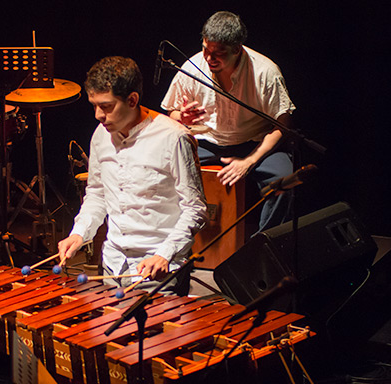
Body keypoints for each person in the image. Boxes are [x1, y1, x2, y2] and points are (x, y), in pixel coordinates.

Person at [58, 56, 207, 295]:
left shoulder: (174, 137)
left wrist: (164, 254)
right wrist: (79, 233)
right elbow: (97, 194)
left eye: (106, 106)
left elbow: (195, 209)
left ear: (132, 100)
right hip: (113, 264)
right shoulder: (100, 135)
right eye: (94, 105)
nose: (98, 114)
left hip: (158, 268)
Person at [161, 11, 296, 232]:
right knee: (162, 173)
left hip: (255, 143)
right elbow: (171, 113)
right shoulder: (193, 66)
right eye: (206, 49)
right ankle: (175, 244)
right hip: (206, 142)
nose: (209, 58)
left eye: (218, 53)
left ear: (237, 49)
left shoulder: (265, 72)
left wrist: (250, 161)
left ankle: (262, 252)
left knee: (285, 182)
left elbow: (283, 124)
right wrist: (182, 117)